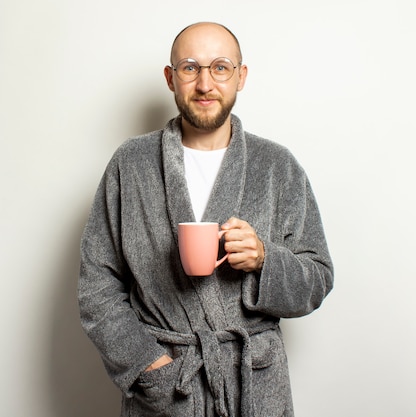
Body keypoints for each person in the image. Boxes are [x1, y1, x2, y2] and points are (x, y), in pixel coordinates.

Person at [78, 22, 333, 417]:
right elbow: (97, 286)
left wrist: (265, 260)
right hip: (167, 387)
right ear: (171, 78)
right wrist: (149, 366)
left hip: (255, 388)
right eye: (190, 67)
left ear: (240, 76)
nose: (205, 84)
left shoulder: (277, 167)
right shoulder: (131, 165)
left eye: (220, 67)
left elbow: (317, 278)